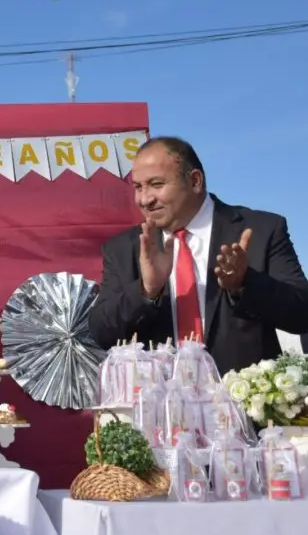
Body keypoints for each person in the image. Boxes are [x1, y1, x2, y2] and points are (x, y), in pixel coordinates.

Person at [89, 136, 308, 375]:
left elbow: (302, 314)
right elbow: (102, 332)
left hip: (244, 407)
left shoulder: (261, 230)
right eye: (138, 187)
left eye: (156, 184)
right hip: (160, 406)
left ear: (194, 181)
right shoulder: (123, 249)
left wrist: (245, 284)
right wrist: (146, 291)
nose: (145, 199)